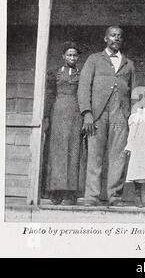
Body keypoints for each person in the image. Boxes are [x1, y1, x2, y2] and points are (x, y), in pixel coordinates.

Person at [78, 26, 136, 207]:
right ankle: (92, 196)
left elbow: (135, 93)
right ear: (105, 39)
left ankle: (115, 196)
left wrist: (132, 116)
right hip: (97, 115)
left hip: (120, 114)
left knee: (118, 156)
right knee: (94, 156)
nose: (116, 39)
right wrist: (87, 113)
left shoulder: (129, 64)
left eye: (119, 36)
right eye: (112, 35)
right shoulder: (94, 59)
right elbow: (83, 87)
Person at [44, 41, 83, 205]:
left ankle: (70, 192)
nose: (72, 58)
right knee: (57, 152)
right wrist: (46, 116)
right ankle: (56, 190)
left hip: (75, 114)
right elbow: (50, 95)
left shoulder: (81, 74)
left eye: (74, 55)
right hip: (58, 113)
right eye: (69, 54)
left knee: (73, 151)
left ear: (78, 57)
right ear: (63, 56)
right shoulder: (55, 73)